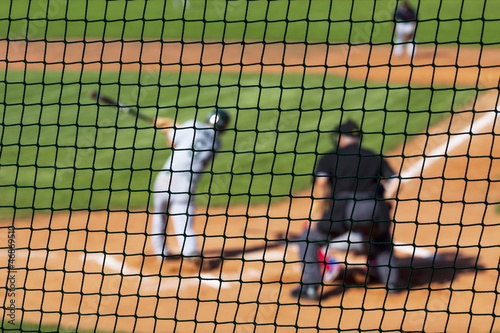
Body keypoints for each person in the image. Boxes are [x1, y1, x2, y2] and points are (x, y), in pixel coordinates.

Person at [291, 119, 400, 301]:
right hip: (374, 207)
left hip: (345, 209)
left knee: (307, 239)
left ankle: (310, 288)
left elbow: (321, 185)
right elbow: (396, 180)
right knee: (381, 238)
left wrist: (317, 215)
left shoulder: (330, 157)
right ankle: (392, 283)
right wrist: (386, 202)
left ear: (341, 139)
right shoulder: (373, 155)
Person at [151, 109, 230, 264]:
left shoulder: (193, 125)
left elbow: (172, 141)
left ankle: (161, 253)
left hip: (165, 178)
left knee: (160, 216)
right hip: (185, 186)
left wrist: (168, 127)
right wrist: (173, 127)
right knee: (183, 221)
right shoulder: (216, 143)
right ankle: (190, 252)